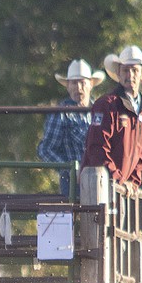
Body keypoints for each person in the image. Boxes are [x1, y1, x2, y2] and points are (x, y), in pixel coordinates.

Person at [80, 45, 142, 191]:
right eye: (126, 70)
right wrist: (118, 179)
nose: (130, 75)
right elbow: (97, 148)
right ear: (118, 73)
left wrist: (133, 182)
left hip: (122, 188)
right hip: (98, 186)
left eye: (135, 70)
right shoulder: (106, 105)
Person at [38, 59, 104, 195]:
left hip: (100, 178)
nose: (78, 88)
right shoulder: (61, 113)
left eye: (82, 82)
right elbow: (45, 149)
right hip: (74, 184)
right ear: (68, 86)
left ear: (91, 85)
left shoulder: (99, 112)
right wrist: (70, 169)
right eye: (74, 83)